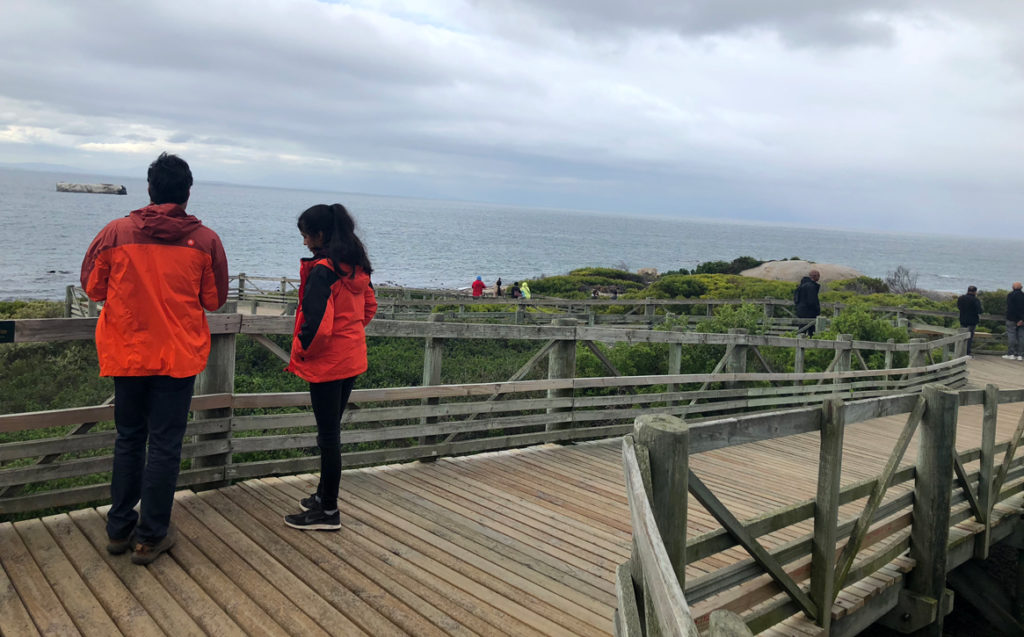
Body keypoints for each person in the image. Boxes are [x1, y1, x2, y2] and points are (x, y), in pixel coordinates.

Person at [81, 153, 228, 564]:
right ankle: (151, 536)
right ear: (186, 193)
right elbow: (214, 301)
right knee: (164, 445)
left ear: (149, 189)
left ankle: (119, 529)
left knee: (129, 438)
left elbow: (94, 288)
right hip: (178, 357)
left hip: (127, 353)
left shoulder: (115, 233)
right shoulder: (206, 241)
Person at [284, 203, 377, 530]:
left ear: (320, 234)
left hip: (328, 364)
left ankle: (328, 512)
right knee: (331, 433)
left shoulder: (324, 270)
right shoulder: (355, 266)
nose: (305, 242)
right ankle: (323, 497)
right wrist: (348, 334)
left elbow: (316, 327)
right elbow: (369, 307)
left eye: (306, 235)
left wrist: (300, 352)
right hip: (350, 359)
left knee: (328, 437)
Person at [957, 285, 982, 356]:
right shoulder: (975, 300)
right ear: (975, 292)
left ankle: (960, 352)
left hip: (963, 319)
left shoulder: (961, 298)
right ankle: (967, 352)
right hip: (972, 320)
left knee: (962, 336)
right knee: (969, 337)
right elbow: (979, 310)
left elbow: (959, 307)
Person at [794, 269, 821, 335]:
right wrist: (817, 310)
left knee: (802, 328)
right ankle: (810, 344)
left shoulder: (802, 285)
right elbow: (812, 301)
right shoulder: (811, 286)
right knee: (811, 330)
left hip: (801, 311)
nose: (819, 278)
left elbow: (796, 298)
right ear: (815, 276)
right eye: (818, 276)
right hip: (809, 312)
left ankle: (800, 344)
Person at [1004, 282, 1024, 361]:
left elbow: (1011, 308)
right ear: (1021, 287)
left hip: (1011, 319)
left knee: (1011, 336)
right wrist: (1022, 319)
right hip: (1022, 320)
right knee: (1021, 337)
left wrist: (1016, 319)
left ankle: (1011, 354)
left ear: (1013, 287)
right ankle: (1020, 355)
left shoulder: (1010, 295)